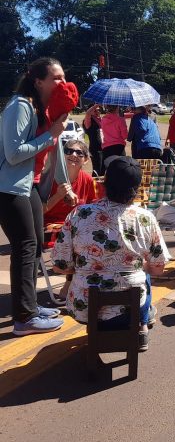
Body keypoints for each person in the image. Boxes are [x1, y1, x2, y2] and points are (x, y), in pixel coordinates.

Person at [52, 157, 170, 351]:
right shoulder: (145, 218)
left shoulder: (79, 214)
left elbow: (59, 266)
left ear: (104, 183)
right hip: (131, 308)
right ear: (137, 187)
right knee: (143, 271)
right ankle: (142, 325)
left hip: (85, 306)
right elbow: (158, 269)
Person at [0, 57, 68, 335]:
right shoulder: (21, 106)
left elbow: (50, 151)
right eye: (56, 78)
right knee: (25, 248)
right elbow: (14, 154)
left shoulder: (40, 107)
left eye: (63, 77)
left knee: (36, 245)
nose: (62, 83)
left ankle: (29, 306)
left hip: (28, 186)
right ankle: (24, 318)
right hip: (9, 187)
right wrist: (50, 135)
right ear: (38, 80)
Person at [44, 139, 100, 297]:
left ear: (86, 159)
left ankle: (72, 283)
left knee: (95, 237)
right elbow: (38, 211)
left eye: (79, 152)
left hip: (76, 228)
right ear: (61, 155)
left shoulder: (87, 180)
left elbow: (92, 210)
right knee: (81, 239)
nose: (73, 154)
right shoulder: (48, 177)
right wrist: (59, 195)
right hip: (49, 225)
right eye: (68, 151)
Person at [83, 103, 104, 175]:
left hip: (104, 147)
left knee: (103, 169)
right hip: (96, 149)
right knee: (97, 169)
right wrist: (97, 105)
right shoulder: (88, 121)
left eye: (99, 110)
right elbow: (87, 113)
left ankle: (101, 185)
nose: (98, 112)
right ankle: (94, 185)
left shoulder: (100, 120)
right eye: (95, 110)